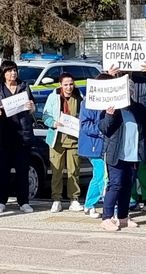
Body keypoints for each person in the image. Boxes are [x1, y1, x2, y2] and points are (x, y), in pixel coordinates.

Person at [98, 79, 146, 232]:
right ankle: (106, 218)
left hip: (133, 154)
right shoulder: (112, 108)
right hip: (116, 153)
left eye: (128, 91)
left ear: (132, 92)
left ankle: (123, 217)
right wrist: (109, 115)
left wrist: (145, 148)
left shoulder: (139, 109)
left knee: (128, 186)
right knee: (115, 185)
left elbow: (144, 131)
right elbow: (104, 129)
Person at [0, 60, 36, 213]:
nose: (13, 73)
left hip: (22, 134)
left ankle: (23, 201)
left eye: (14, 70)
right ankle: (2, 201)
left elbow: (32, 108)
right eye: (9, 71)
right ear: (3, 73)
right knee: (3, 169)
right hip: (3, 135)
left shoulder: (24, 86)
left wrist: (30, 107)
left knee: (22, 169)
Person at [43, 72, 83, 213]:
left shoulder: (79, 97)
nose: (69, 87)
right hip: (57, 140)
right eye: (66, 84)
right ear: (60, 84)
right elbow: (45, 115)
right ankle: (56, 200)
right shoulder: (53, 97)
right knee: (57, 171)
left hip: (73, 139)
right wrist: (53, 123)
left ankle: (74, 199)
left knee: (74, 171)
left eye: (71, 84)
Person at [78, 78, 107, 218]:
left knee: (99, 175)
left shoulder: (107, 100)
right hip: (94, 144)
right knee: (101, 174)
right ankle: (104, 205)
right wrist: (103, 131)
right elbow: (85, 124)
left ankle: (89, 204)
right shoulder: (89, 102)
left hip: (104, 145)